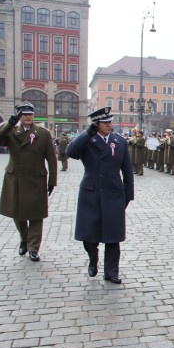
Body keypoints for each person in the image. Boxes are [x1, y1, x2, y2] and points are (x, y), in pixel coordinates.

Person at [66, 107, 134, 284]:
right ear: (96, 124)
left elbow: (127, 170)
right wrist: (87, 134)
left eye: (111, 122)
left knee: (113, 236)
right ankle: (93, 257)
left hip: (113, 193)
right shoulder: (87, 140)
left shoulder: (120, 142)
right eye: (106, 122)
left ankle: (111, 272)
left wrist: (128, 195)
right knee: (89, 234)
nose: (110, 125)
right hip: (91, 193)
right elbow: (70, 152)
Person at [0, 101, 57, 262]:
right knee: (17, 213)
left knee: (36, 215)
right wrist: (10, 122)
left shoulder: (43, 133)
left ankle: (33, 248)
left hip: (36, 178)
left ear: (33, 115)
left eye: (30, 114)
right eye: (24, 114)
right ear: (19, 116)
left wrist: (52, 181)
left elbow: (51, 158)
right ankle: (24, 239)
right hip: (16, 178)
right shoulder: (12, 131)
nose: (27, 116)